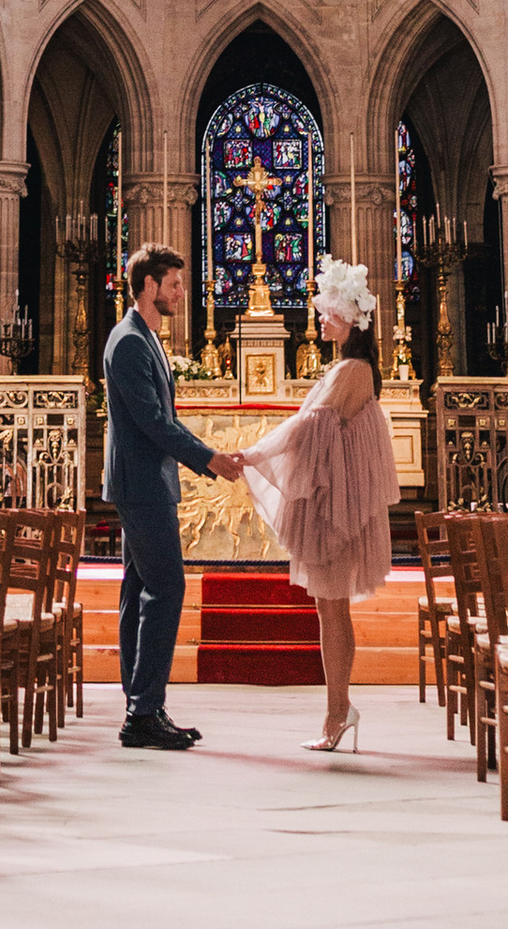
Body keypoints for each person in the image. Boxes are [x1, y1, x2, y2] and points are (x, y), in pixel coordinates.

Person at [240, 252, 398, 752]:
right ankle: (338, 710)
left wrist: (252, 454)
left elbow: (305, 428)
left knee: (332, 612)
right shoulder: (346, 367)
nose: (321, 319)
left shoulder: (353, 369)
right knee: (329, 611)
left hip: (336, 510)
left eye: (329, 312)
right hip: (333, 505)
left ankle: (337, 713)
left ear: (350, 319)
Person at [102, 242, 244, 750]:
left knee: (139, 589)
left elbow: (165, 419)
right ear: (149, 286)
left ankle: (141, 705)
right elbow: (153, 423)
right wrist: (209, 459)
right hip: (141, 484)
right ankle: (142, 711)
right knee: (166, 587)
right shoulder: (129, 341)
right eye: (175, 284)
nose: (182, 292)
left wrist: (207, 455)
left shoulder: (144, 337)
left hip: (145, 481)